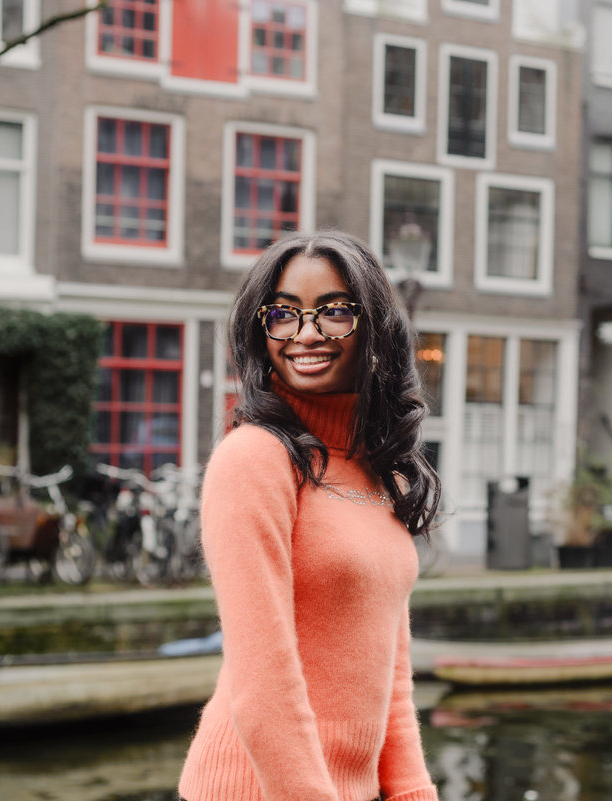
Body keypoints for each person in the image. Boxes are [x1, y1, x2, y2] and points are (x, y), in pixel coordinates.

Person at [178, 231, 442, 801]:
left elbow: (391, 679)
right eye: (283, 314)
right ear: (260, 328)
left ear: (373, 327)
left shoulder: (382, 470)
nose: (305, 334)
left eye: (334, 312)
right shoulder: (254, 460)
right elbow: (261, 683)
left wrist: (415, 793)